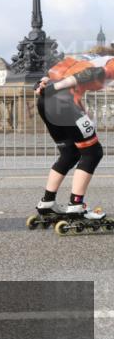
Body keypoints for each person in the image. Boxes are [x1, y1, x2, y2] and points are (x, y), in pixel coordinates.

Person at [31, 52, 114, 233]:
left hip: (46, 102)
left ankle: (47, 202)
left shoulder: (85, 56)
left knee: (70, 152)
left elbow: (51, 73)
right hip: (63, 101)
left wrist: (43, 83)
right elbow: (88, 75)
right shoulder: (112, 63)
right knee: (93, 152)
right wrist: (57, 87)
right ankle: (76, 205)